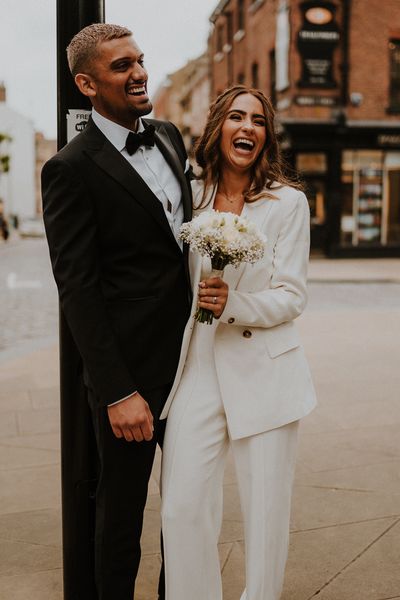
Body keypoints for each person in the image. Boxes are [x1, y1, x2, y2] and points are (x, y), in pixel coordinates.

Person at [41, 23, 192, 600]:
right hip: (131, 378)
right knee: (122, 517)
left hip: (192, 365)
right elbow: (77, 289)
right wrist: (117, 391)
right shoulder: (70, 169)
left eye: (140, 61)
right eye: (121, 67)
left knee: (185, 506)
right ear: (87, 83)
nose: (139, 74)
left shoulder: (171, 137)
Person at [160, 85, 317, 600]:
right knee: (181, 508)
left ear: (266, 136)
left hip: (265, 370)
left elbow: (291, 296)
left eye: (257, 120)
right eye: (236, 117)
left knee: (266, 517)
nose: (247, 127)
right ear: (217, 128)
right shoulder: (192, 196)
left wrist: (233, 304)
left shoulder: (288, 203)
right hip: (198, 367)